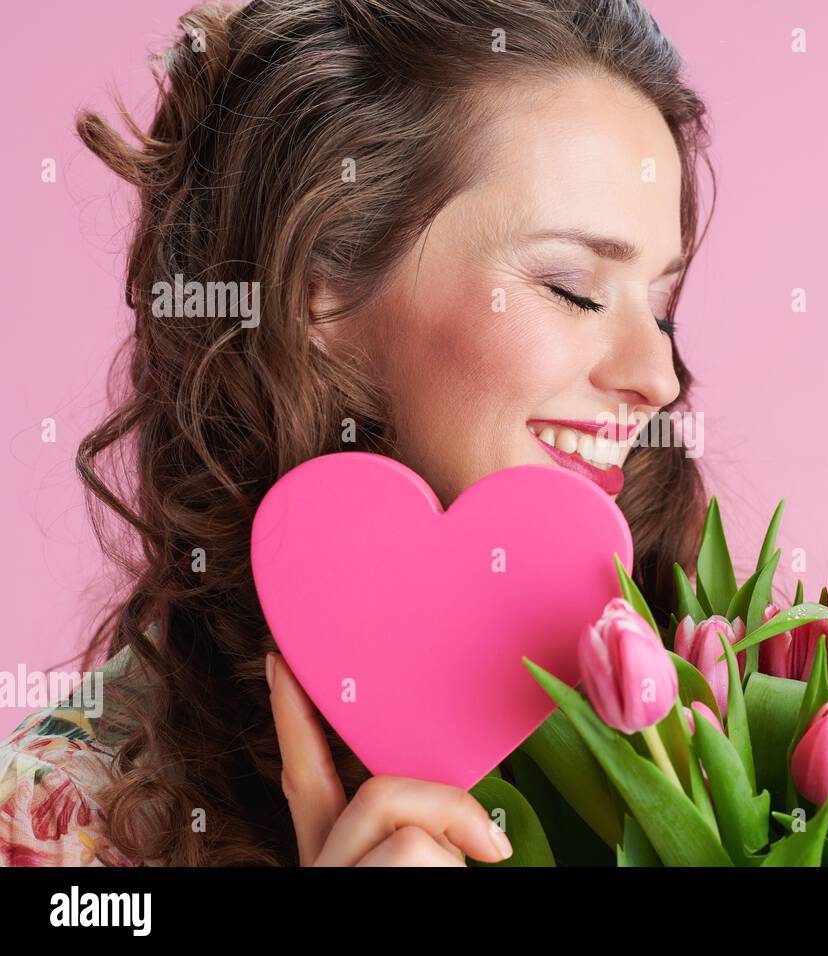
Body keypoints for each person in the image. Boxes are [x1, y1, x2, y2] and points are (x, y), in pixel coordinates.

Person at [0, 0, 714, 866]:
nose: (658, 377)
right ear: (322, 286)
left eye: (663, 307)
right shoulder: (57, 825)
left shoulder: (720, 725)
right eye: (573, 287)